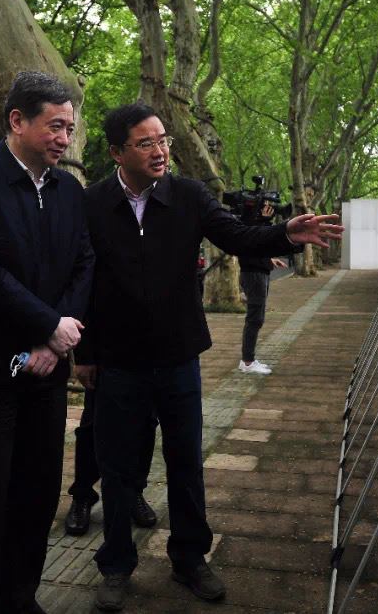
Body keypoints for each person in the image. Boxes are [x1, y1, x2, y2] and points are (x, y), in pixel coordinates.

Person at [78, 102, 342, 611]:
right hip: (118, 360)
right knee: (118, 468)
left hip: (178, 357)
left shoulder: (188, 195)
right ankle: (115, 565)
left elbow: (238, 236)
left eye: (164, 140)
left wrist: (286, 233)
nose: (160, 151)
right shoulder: (91, 204)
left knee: (186, 462)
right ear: (116, 152)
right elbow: (83, 279)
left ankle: (189, 558)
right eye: (146, 143)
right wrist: (85, 353)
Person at [0, 71, 94, 614]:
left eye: (69, 128)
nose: (64, 138)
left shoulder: (68, 190)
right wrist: (47, 326)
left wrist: (56, 341)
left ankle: (20, 598)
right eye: (54, 126)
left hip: (45, 371)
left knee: (37, 496)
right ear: (17, 121)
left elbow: (84, 264)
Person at [64, 379, 158, 536]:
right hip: (103, 367)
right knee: (93, 421)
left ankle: (134, 491)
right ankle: (82, 495)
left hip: (148, 368)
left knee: (145, 420)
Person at [237, 202, 290, 374]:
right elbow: (254, 243)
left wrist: (269, 260)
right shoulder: (248, 223)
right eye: (263, 205)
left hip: (258, 273)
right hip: (254, 276)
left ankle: (248, 360)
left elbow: (257, 249)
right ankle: (247, 362)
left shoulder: (253, 224)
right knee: (255, 319)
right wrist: (265, 222)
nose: (267, 207)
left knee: (256, 318)